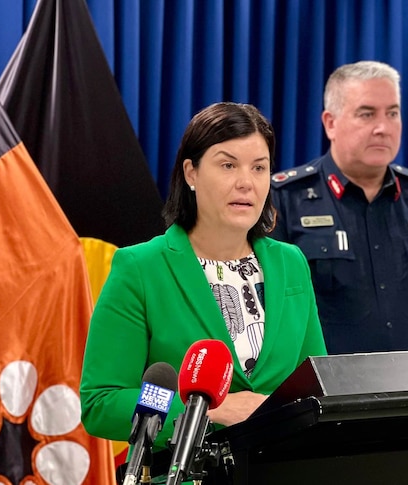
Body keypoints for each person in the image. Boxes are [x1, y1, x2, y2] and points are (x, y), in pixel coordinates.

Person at [80, 102, 327, 470]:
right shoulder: (141, 267)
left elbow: (316, 387)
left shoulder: (289, 263)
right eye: (228, 165)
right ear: (191, 173)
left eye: (259, 167)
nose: (246, 181)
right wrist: (209, 410)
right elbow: (102, 401)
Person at [270, 60, 408, 354]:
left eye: (393, 113)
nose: (383, 128)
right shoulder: (285, 198)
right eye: (366, 114)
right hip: (323, 393)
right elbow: (273, 318)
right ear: (330, 123)